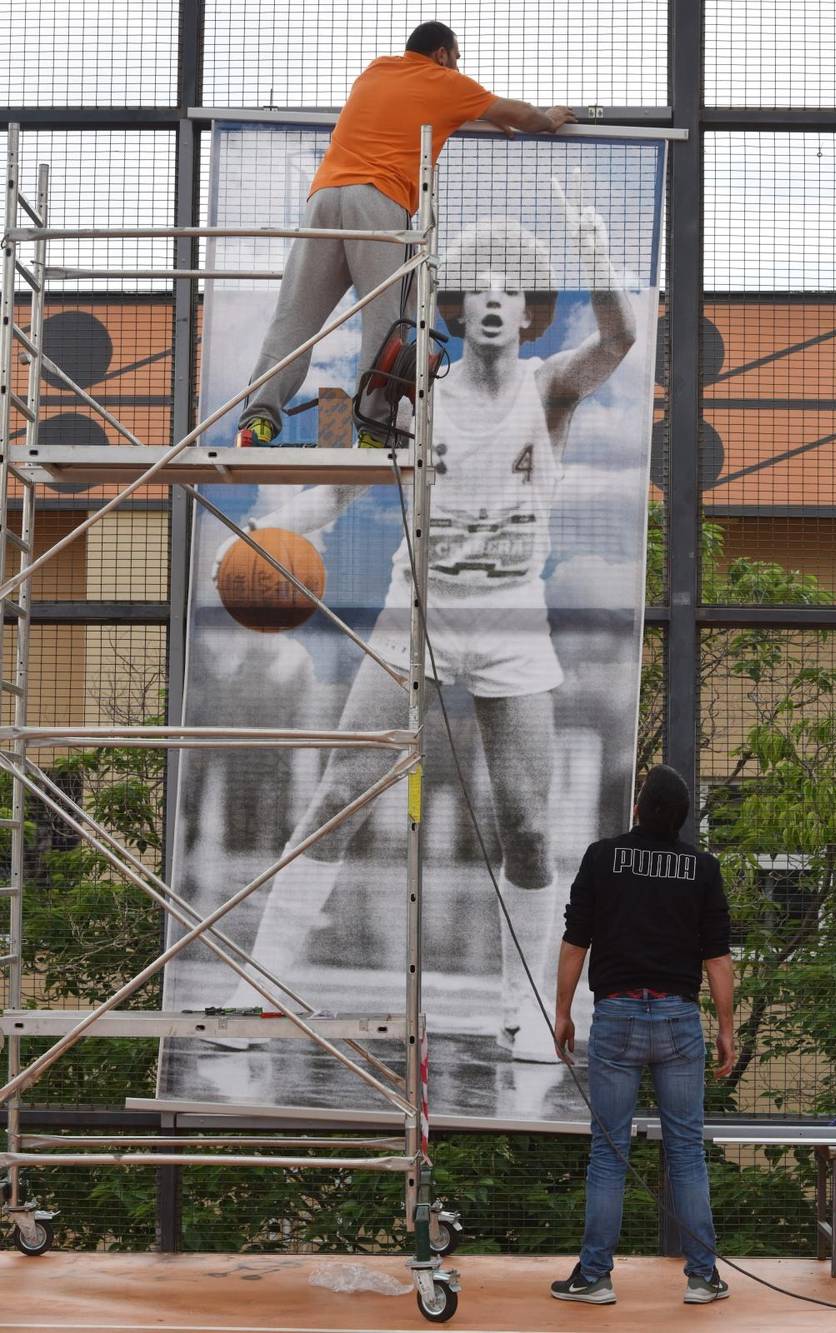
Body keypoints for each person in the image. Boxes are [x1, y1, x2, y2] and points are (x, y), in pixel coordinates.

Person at [214, 185, 635, 1063]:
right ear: (455, 307)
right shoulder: (413, 390)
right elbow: (345, 482)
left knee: (524, 823)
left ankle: (528, 1006)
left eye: (507, 289)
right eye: (475, 286)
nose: (490, 297)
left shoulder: (550, 387)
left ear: (527, 316)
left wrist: (598, 256)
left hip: (512, 621)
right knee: (340, 795)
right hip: (420, 613)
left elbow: (622, 339)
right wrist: (288, 525)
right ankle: (259, 991)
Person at [235, 20, 576, 450]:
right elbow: (521, 115)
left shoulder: (376, 71)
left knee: (296, 316)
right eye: (456, 57)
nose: (458, 66)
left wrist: (474, 113)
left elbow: (409, 111)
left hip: (324, 197)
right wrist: (547, 119)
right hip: (378, 200)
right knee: (386, 320)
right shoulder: (448, 83)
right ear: (441, 55)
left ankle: (257, 421)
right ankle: (375, 429)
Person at [550, 764, 736, 1305]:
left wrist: (564, 1013)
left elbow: (574, 943)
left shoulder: (602, 858)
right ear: (682, 820)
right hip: (679, 1021)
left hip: (617, 1017)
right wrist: (725, 1028)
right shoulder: (703, 868)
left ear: (638, 808)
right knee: (686, 1151)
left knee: (609, 1152)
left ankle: (594, 1277)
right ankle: (704, 1277)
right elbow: (718, 959)